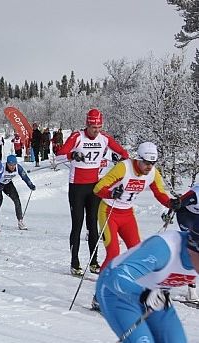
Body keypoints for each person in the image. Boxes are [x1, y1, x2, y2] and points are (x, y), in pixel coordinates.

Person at [56, 108, 129, 276]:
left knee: (93, 225)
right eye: (93, 127)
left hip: (94, 187)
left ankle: (94, 262)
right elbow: (59, 155)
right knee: (77, 224)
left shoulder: (104, 138)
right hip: (77, 187)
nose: (96, 131)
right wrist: (72, 156)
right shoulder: (77, 137)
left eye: (99, 127)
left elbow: (123, 153)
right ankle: (75, 262)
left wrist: (124, 161)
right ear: (87, 125)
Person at [95, 227, 199, 342]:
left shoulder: (193, 255)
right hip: (118, 293)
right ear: (192, 247)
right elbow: (115, 277)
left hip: (156, 298)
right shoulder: (165, 247)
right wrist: (144, 295)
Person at [93, 142, 178, 271]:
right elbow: (98, 189)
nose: (149, 166)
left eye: (153, 163)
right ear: (138, 159)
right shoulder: (124, 167)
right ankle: (102, 288)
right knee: (113, 253)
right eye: (146, 162)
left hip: (127, 214)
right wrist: (111, 193)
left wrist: (170, 203)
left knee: (136, 252)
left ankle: (131, 282)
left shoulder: (153, 173)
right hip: (108, 211)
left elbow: (160, 193)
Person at [0, 155, 35, 230]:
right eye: (10, 165)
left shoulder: (18, 168)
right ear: (7, 163)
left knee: (16, 199)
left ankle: (20, 221)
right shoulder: (1, 167)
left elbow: (25, 177)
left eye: (14, 165)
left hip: (8, 184)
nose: (12, 167)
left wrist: (30, 185)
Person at [176, 184, 199, 302]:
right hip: (186, 215)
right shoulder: (195, 194)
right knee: (192, 250)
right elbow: (179, 203)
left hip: (197, 217)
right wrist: (175, 204)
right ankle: (191, 291)